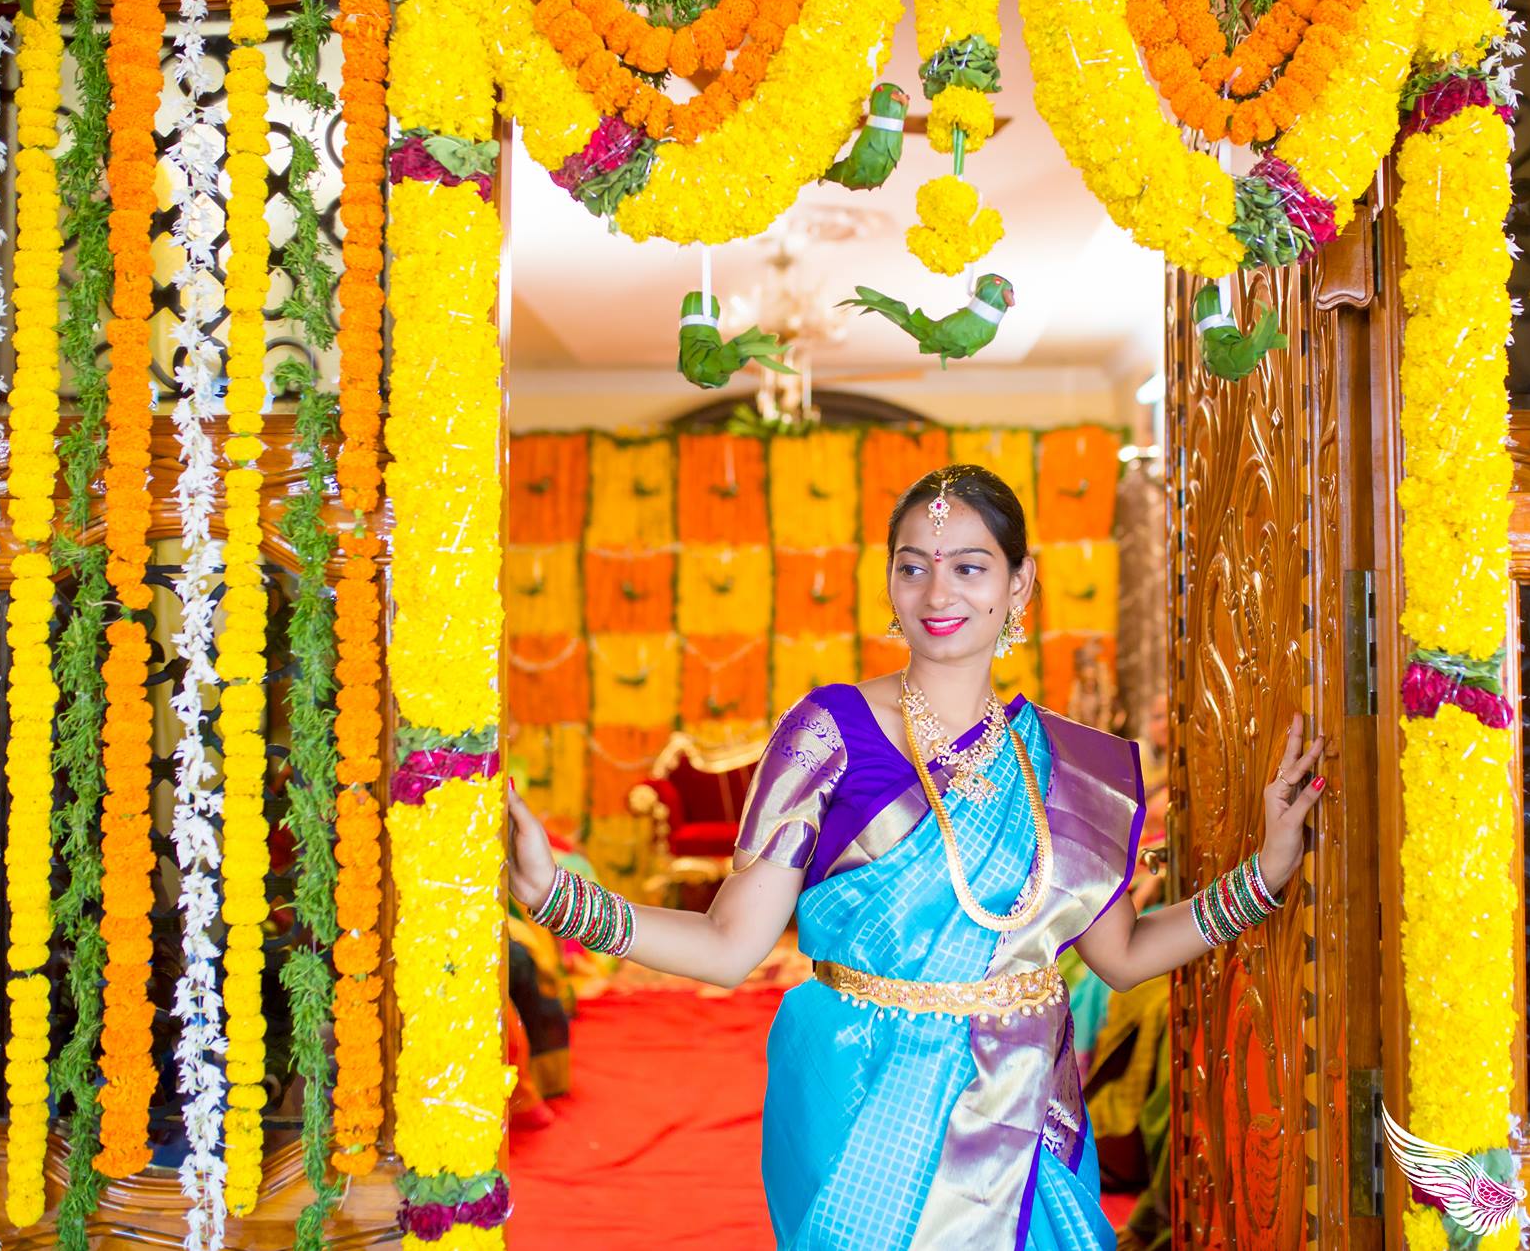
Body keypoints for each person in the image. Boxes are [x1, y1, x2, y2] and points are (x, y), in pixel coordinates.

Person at [503, 464, 1328, 1250]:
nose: (939, 593)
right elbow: (730, 946)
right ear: (890, 584)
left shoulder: (1070, 767)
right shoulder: (827, 733)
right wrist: (557, 898)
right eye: (914, 566)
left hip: (1021, 1106)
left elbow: (1123, 955)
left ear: (1020, 584)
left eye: (970, 567)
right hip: (856, 1097)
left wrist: (1265, 874)